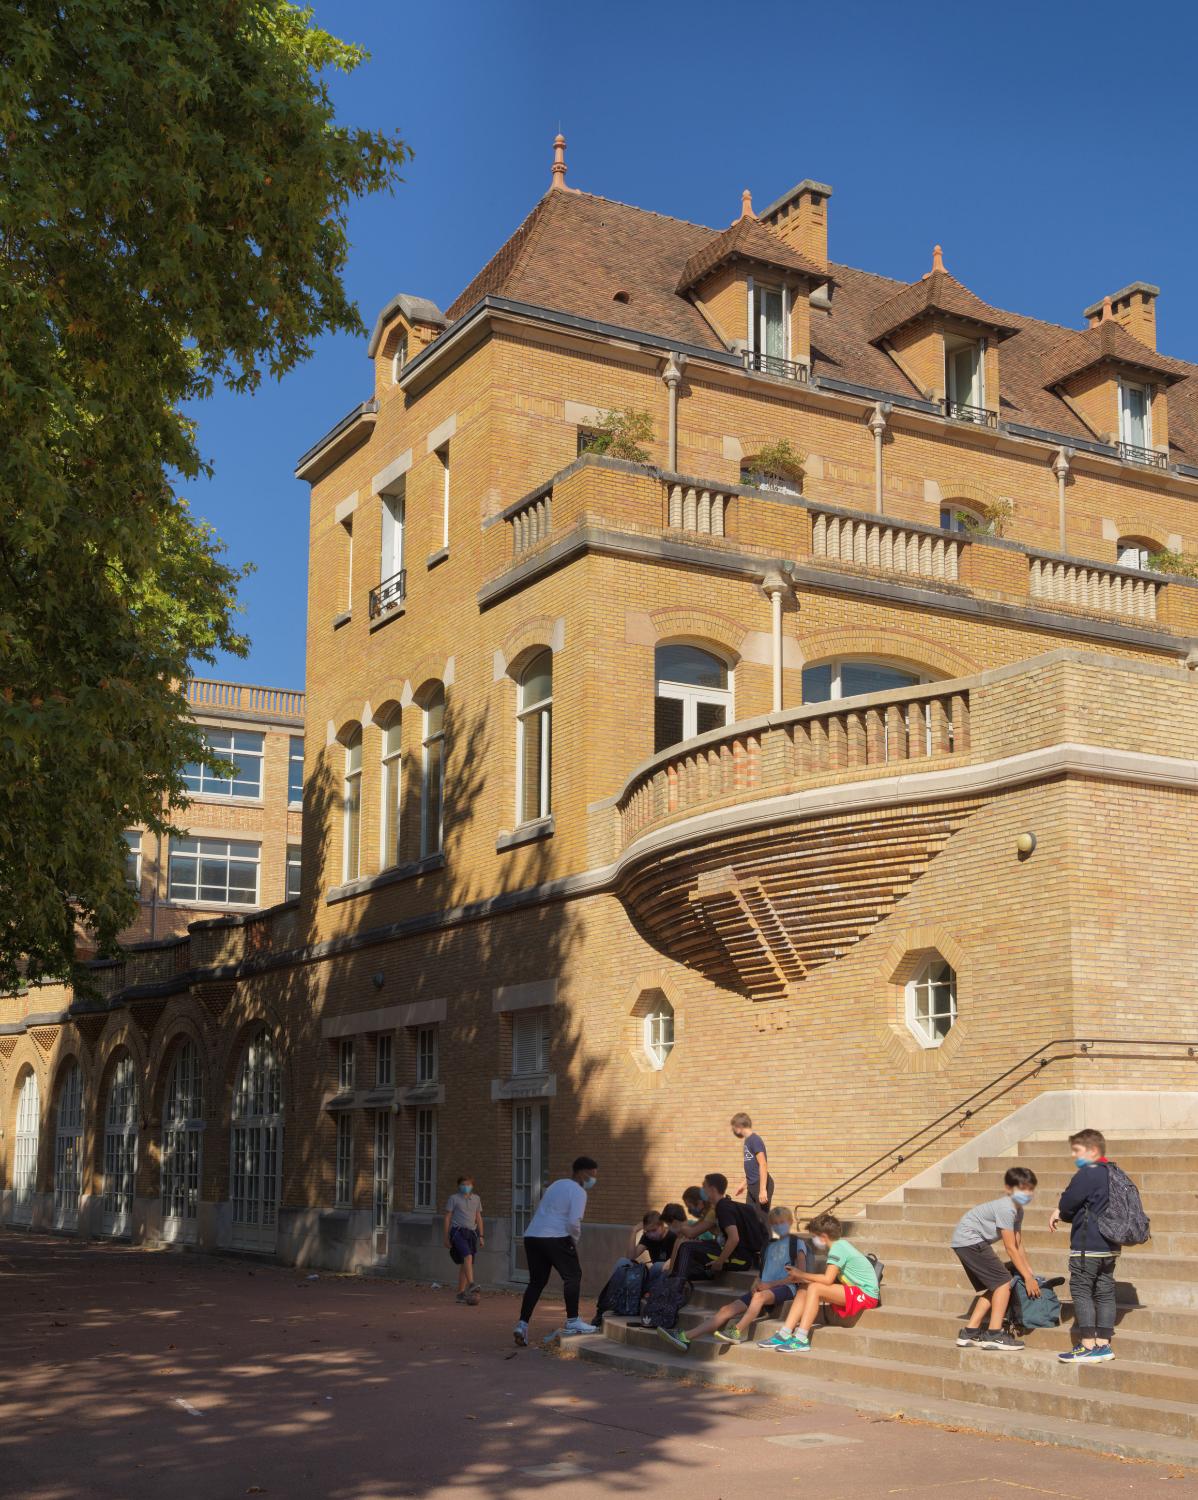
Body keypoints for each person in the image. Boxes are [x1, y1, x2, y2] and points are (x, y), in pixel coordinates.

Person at [657, 1205, 807, 1352]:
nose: (778, 1226)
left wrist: (770, 1285)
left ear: (791, 1222)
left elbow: (800, 1276)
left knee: (759, 1297)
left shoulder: (797, 1243)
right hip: (764, 1287)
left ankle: (736, 1331)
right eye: (775, 1223)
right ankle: (686, 1336)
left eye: (782, 1222)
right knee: (726, 1309)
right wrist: (757, 1281)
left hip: (786, 1288)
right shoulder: (768, 1245)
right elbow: (763, 1271)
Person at [948, 1167, 1041, 1351]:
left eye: (1030, 1189)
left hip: (967, 1241)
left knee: (996, 1285)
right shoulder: (1007, 1208)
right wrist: (1028, 1278)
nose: (1027, 1193)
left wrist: (1029, 1272)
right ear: (1009, 1189)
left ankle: (970, 1332)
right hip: (970, 1241)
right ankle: (994, 1335)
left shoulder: (1018, 1210)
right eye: (1022, 1189)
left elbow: (1018, 1244)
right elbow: (1009, 1249)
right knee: (1003, 1282)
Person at [758, 1212, 880, 1352]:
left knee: (815, 1288)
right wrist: (801, 1278)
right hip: (855, 1291)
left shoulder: (838, 1249)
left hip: (866, 1294)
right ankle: (785, 1333)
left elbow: (827, 1280)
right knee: (805, 1287)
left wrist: (801, 1273)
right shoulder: (840, 1246)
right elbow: (827, 1278)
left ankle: (801, 1338)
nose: (813, 1240)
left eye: (814, 1236)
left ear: (823, 1237)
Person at [513, 1156, 600, 1347]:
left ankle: (522, 1324)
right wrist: (573, 1241)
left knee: (536, 1282)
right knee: (573, 1275)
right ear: (582, 1172)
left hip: (533, 1236)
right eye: (592, 1175)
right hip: (557, 1236)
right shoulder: (579, 1191)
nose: (594, 1179)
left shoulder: (556, 1184)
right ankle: (573, 1321)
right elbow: (573, 1221)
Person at [1049, 1129, 1119, 1363]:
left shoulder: (1087, 1173)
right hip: (1111, 1245)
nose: (1074, 1155)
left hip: (1088, 1245)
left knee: (1081, 1290)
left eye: (1077, 1150)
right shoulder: (1114, 1172)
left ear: (1093, 1151)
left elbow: (1068, 1204)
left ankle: (1087, 1345)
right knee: (1105, 1292)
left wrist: (1060, 1211)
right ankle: (1103, 1345)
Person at [669, 1172, 768, 1281]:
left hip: (740, 1259)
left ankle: (675, 1285)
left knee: (686, 1248)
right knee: (689, 1247)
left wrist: (720, 1262)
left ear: (712, 1189)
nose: (702, 1191)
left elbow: (734, 1238)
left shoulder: (723, 1208)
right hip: (734, 1254)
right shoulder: (721, 1205)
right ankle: (677, 1278)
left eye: (704, 1187)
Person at [443, 1173, 484, 1304]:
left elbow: (478, 1217)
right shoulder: (453, 1198)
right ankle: (471, 1284)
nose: (465, 1187)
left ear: (472, 1186)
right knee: (467, 1256)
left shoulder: (476, 1199)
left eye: (468, 1184)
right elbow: (448, 1217)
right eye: (463, 1185)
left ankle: (460, 1293)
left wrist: (481, 1235)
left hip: (471, 1233)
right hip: (458, 1232)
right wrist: (446, 1237)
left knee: (465, 1264)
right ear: (459, 1186)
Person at [731, 1113, 773, 1213]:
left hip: (760, 1184)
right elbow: (753, 1167)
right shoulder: (748, 1140)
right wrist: (744, 1184)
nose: (733, 1130)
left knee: (762, 1220)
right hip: (752, 1184)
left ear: (739, 1126)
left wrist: (762, 1190)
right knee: (750, 1217)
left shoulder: (755, 1140)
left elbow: (762, 1164)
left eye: (733, 1127)